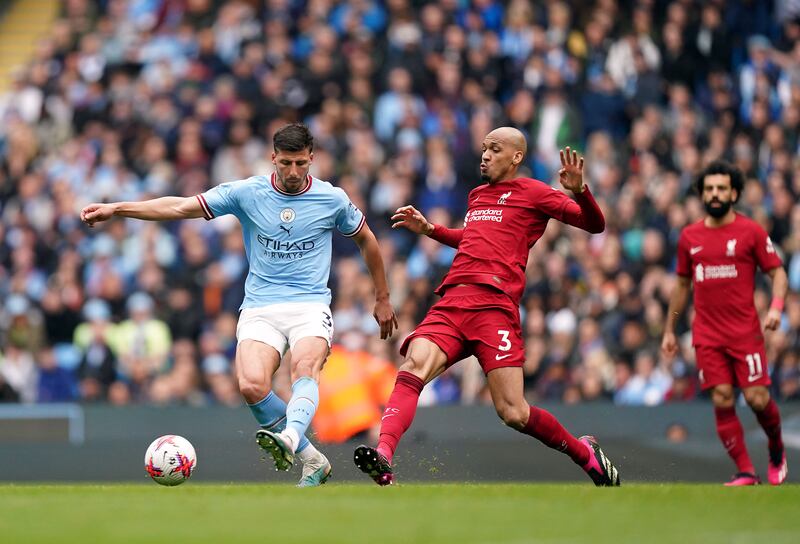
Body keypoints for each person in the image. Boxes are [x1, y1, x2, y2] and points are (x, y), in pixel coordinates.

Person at [81, 123, 398, 486]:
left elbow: (367, 241)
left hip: (309, 305)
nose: (293, 172)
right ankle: (313, 461)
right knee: (250, 384)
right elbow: (180, 206)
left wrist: (383, 297)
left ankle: (290, 438)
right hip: (261, 306)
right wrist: (117, 208)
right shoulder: (247, 192)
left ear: (312, 159)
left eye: (300, 164)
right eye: (286, 163)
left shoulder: (332, 199)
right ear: (273, 158)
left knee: (305, 369)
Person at [353, 127, 620, 486]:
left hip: (494, 306)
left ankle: (585, 455)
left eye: (495, 149)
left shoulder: (535, 192)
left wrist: (579, 191)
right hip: (453, 301)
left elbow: (595, 224)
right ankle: (383, 456)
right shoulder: (478, 195)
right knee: (413, 365)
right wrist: (431, 229)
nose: (485, 155)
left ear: (516, 157)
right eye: (483, 149)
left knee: (513, 412)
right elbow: (473, 239)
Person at [662, 160, 788, 486]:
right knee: (721, 396)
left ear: (733, 192)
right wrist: (669, 330)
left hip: (745, 332)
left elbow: (777, 273)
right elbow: (680, 287)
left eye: (721, 188)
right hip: (707, 334)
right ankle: (746, 470)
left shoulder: (751, 232)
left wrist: (775, 308)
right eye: (709, 189)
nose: (715, 194)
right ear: (702, 194)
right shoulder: (689, 237)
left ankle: (776, 446)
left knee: (758, 399)